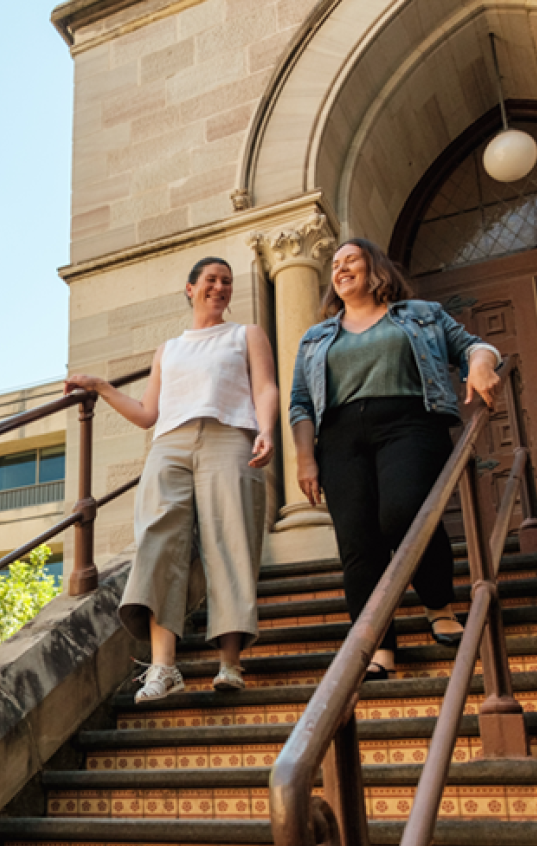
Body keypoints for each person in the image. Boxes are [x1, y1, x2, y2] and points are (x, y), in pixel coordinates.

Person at [66, 257, 278, 702]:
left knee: (230, 542)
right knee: (159, 542)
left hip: (228, 437)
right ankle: (164, 668)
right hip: (170, 444)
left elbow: (265, 388)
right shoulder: (170, 348)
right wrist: (104, 388)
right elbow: (147, 414)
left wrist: (267, 430)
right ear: (189, 288)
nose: (219, 287)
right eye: (210, 280)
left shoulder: (245, 335)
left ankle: (230, 663)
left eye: (227, 281)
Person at [289, 238, 501, 681]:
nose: (340, 268)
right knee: (358, 542)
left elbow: (473, 346)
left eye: (351, 260)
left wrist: (480, 364)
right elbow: (301, 403)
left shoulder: (420, 314)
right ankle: (375, 641)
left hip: (408, 424)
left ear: (375, 268)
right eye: (334, 263)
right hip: (340, 438)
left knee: (404, 511)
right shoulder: (316, 336)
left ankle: (438, 603)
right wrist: (305, 457)